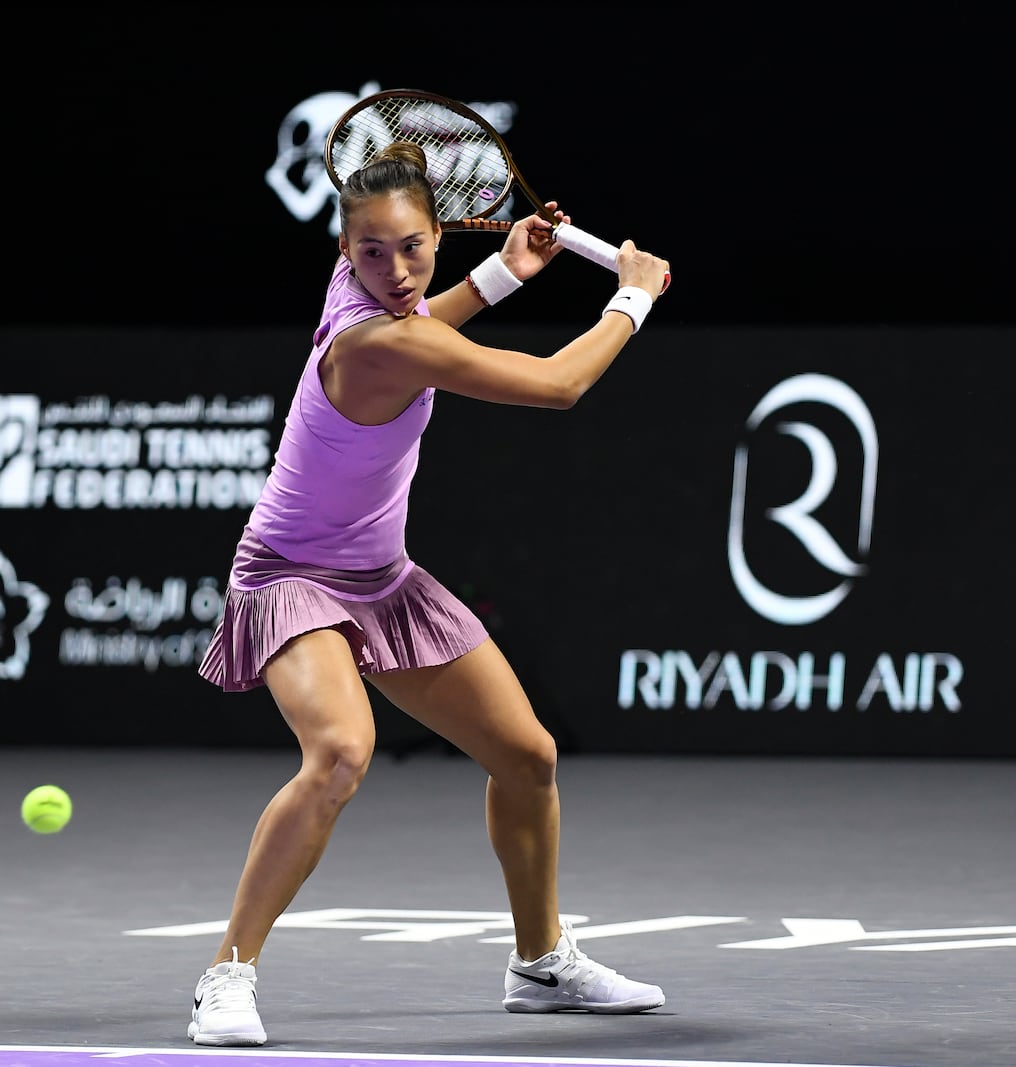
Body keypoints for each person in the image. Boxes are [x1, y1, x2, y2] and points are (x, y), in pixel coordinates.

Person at [189, 140, 672, 1047]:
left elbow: (429, 326)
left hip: (380, 574)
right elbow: (557, 385)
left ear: (436, 236)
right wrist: (632, 295)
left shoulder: (385, 311)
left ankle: (540, 962)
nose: (395, 267)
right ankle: (227, 972)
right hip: (290, 577)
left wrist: (506, 272)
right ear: (345, 253)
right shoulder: (374, 338)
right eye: (371, 251)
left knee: (527, 756)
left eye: (412, 246)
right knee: (339, 751)